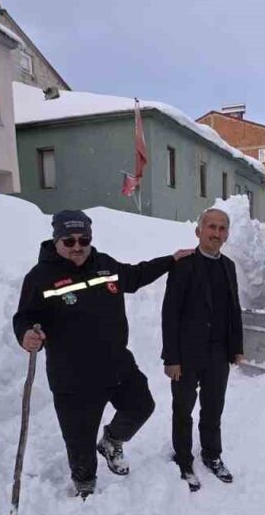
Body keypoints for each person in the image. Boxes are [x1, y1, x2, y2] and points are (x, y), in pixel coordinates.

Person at [12, 209, 193, 497]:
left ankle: (111, 441)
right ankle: (85, 485)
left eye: (83, 240)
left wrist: (170, 261)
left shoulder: (104, 265)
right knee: (79, 439)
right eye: (69, 241)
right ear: (56, 240)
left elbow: (135, 275)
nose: (77, 247)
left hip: (115, 364)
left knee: (141, 405)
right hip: (73, 376)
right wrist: (26, 335)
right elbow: (23, 317)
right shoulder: (40, 277)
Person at [161, 207, 245, 492]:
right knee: (183, 409)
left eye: (222, 228)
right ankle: (184, 459)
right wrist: (171, 358)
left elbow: (234, 309)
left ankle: (211, 454)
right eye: (211, 227)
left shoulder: (229, 266)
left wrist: (236, 347)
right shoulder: (183, 264)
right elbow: (170, 313)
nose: (216, 233)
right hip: (186, 354)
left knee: (213, 407)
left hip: (218, 353)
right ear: (199, 231)